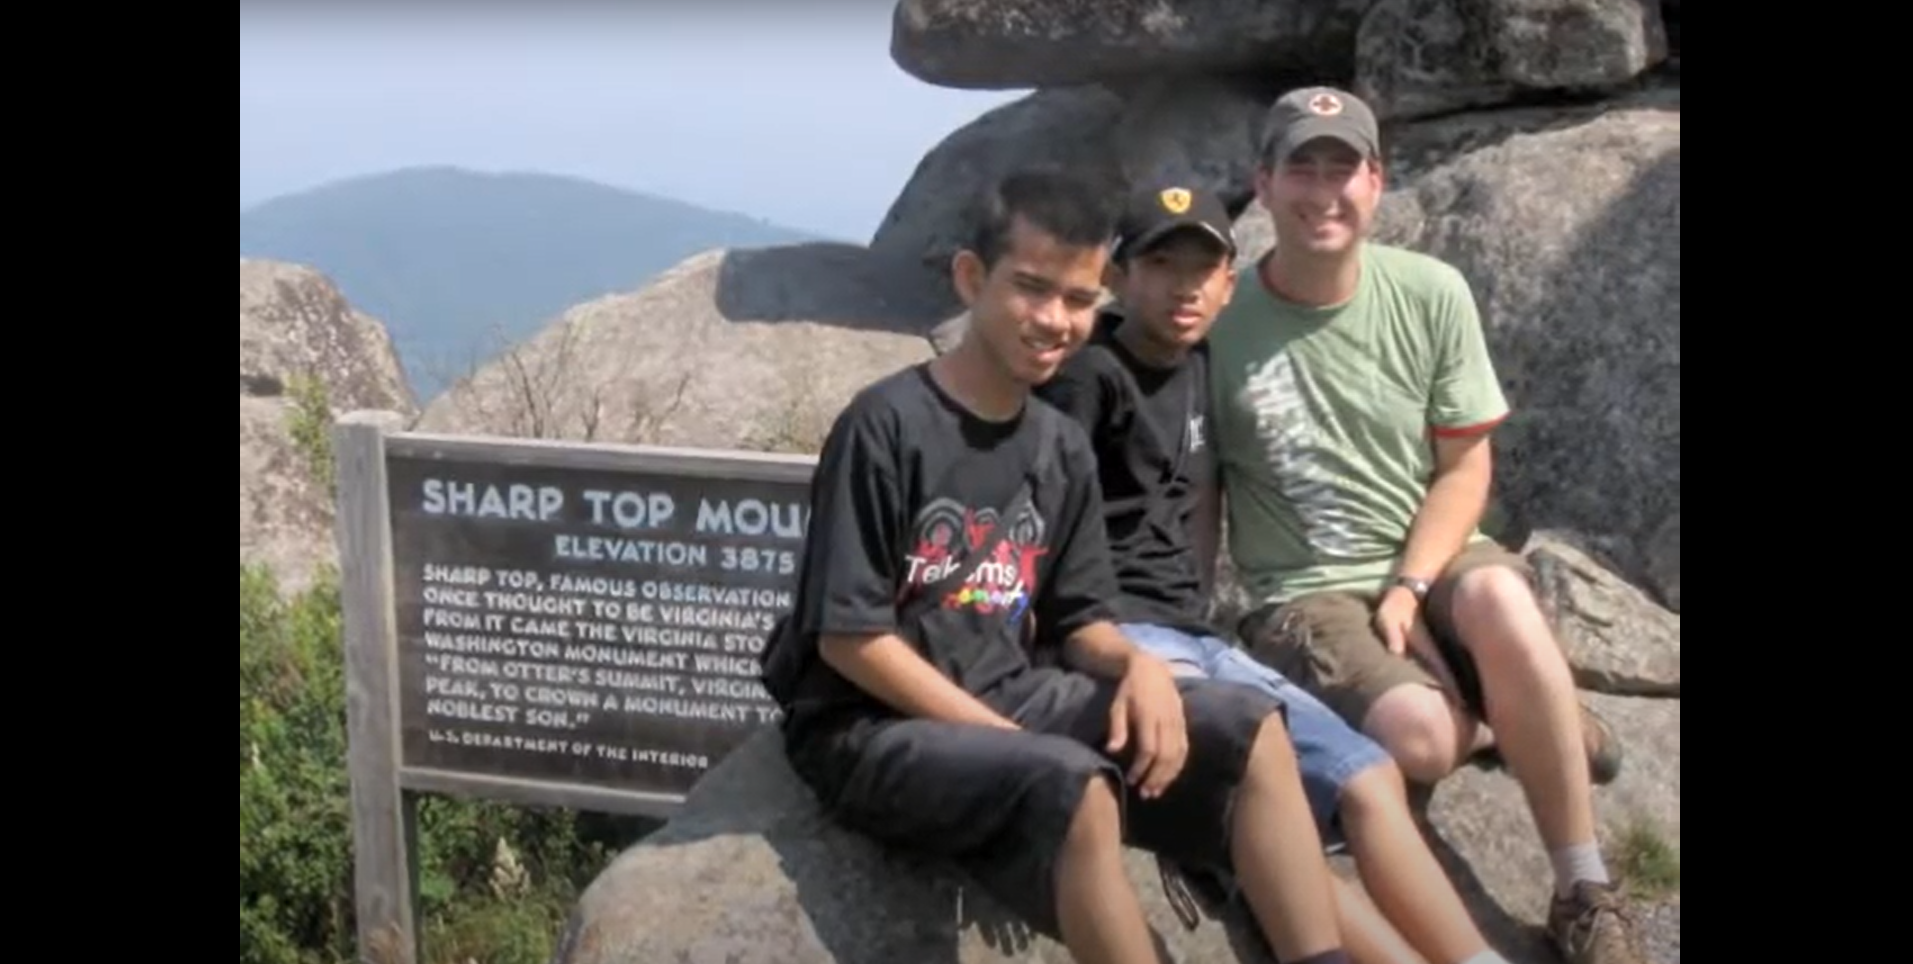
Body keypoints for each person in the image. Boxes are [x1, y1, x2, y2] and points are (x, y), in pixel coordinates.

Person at [760, 168, 1355, 964]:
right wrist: (1001, 739)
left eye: (1078, 300)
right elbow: (849, 639)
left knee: (1245, 727)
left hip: (1008, 691)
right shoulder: (887, 425)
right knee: (1068, 781)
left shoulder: (1056, 443)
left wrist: (1138, 668)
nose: (1054, 320)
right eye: (1030, 289)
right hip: (866, 725)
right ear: (972, 278)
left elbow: (1080, 619)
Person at [1206, 86, 1648, 964]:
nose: (1323, 190)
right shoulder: (1216, 324)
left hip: (1431, 555)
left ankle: (1582, 889)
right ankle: (1524, 720)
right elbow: (1198, 483)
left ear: (1379, 181)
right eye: (1302, 166)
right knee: (1420, 738)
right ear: (1262, 182)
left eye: (1345, 168)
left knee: (1502, 603)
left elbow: (1464, 468)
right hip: (1307, 590)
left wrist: (1411, 586)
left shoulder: (1429, 290)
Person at [1034, 179, 1514, 964]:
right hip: (1123, 634)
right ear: (1119, 276)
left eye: (1202, 269)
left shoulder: (1198, 366)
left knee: (1366, 777)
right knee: (1269, 803)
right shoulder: (1092, 377)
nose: (1183, 287)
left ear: (1229, 283)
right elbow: (1039, 517)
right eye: (1161, 264)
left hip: (1196, 632)